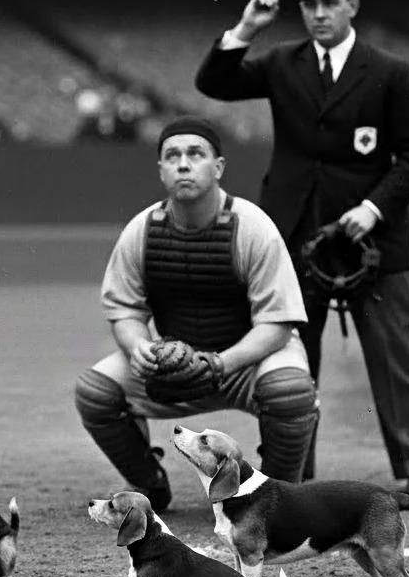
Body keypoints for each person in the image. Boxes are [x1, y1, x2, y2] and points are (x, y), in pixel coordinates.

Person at [194, 0, 409, 493]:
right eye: (310, 5)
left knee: (394, 358)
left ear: (352, 6)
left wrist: (373, 209)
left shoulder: (389, 70)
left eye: (331, 3)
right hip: (297, 237)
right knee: (294, 361)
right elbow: (213, 81)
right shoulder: (283, 61)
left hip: (372, 238)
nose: (320, 13)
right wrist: (247, 28)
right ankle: (295, 470)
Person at [73, 117, 319, 510]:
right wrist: (138, 346)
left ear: (218, 167)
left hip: (247, 363)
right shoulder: (143, 230)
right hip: (178, 366)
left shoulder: (251, 227)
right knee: (96, 392)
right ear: (161, 170)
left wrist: (220, 363)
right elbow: (124, 310)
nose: (183, 164)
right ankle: (148, 484)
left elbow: (277, 325)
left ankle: (276, 498)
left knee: (289, 390)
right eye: (172, 155)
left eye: (195, 154)